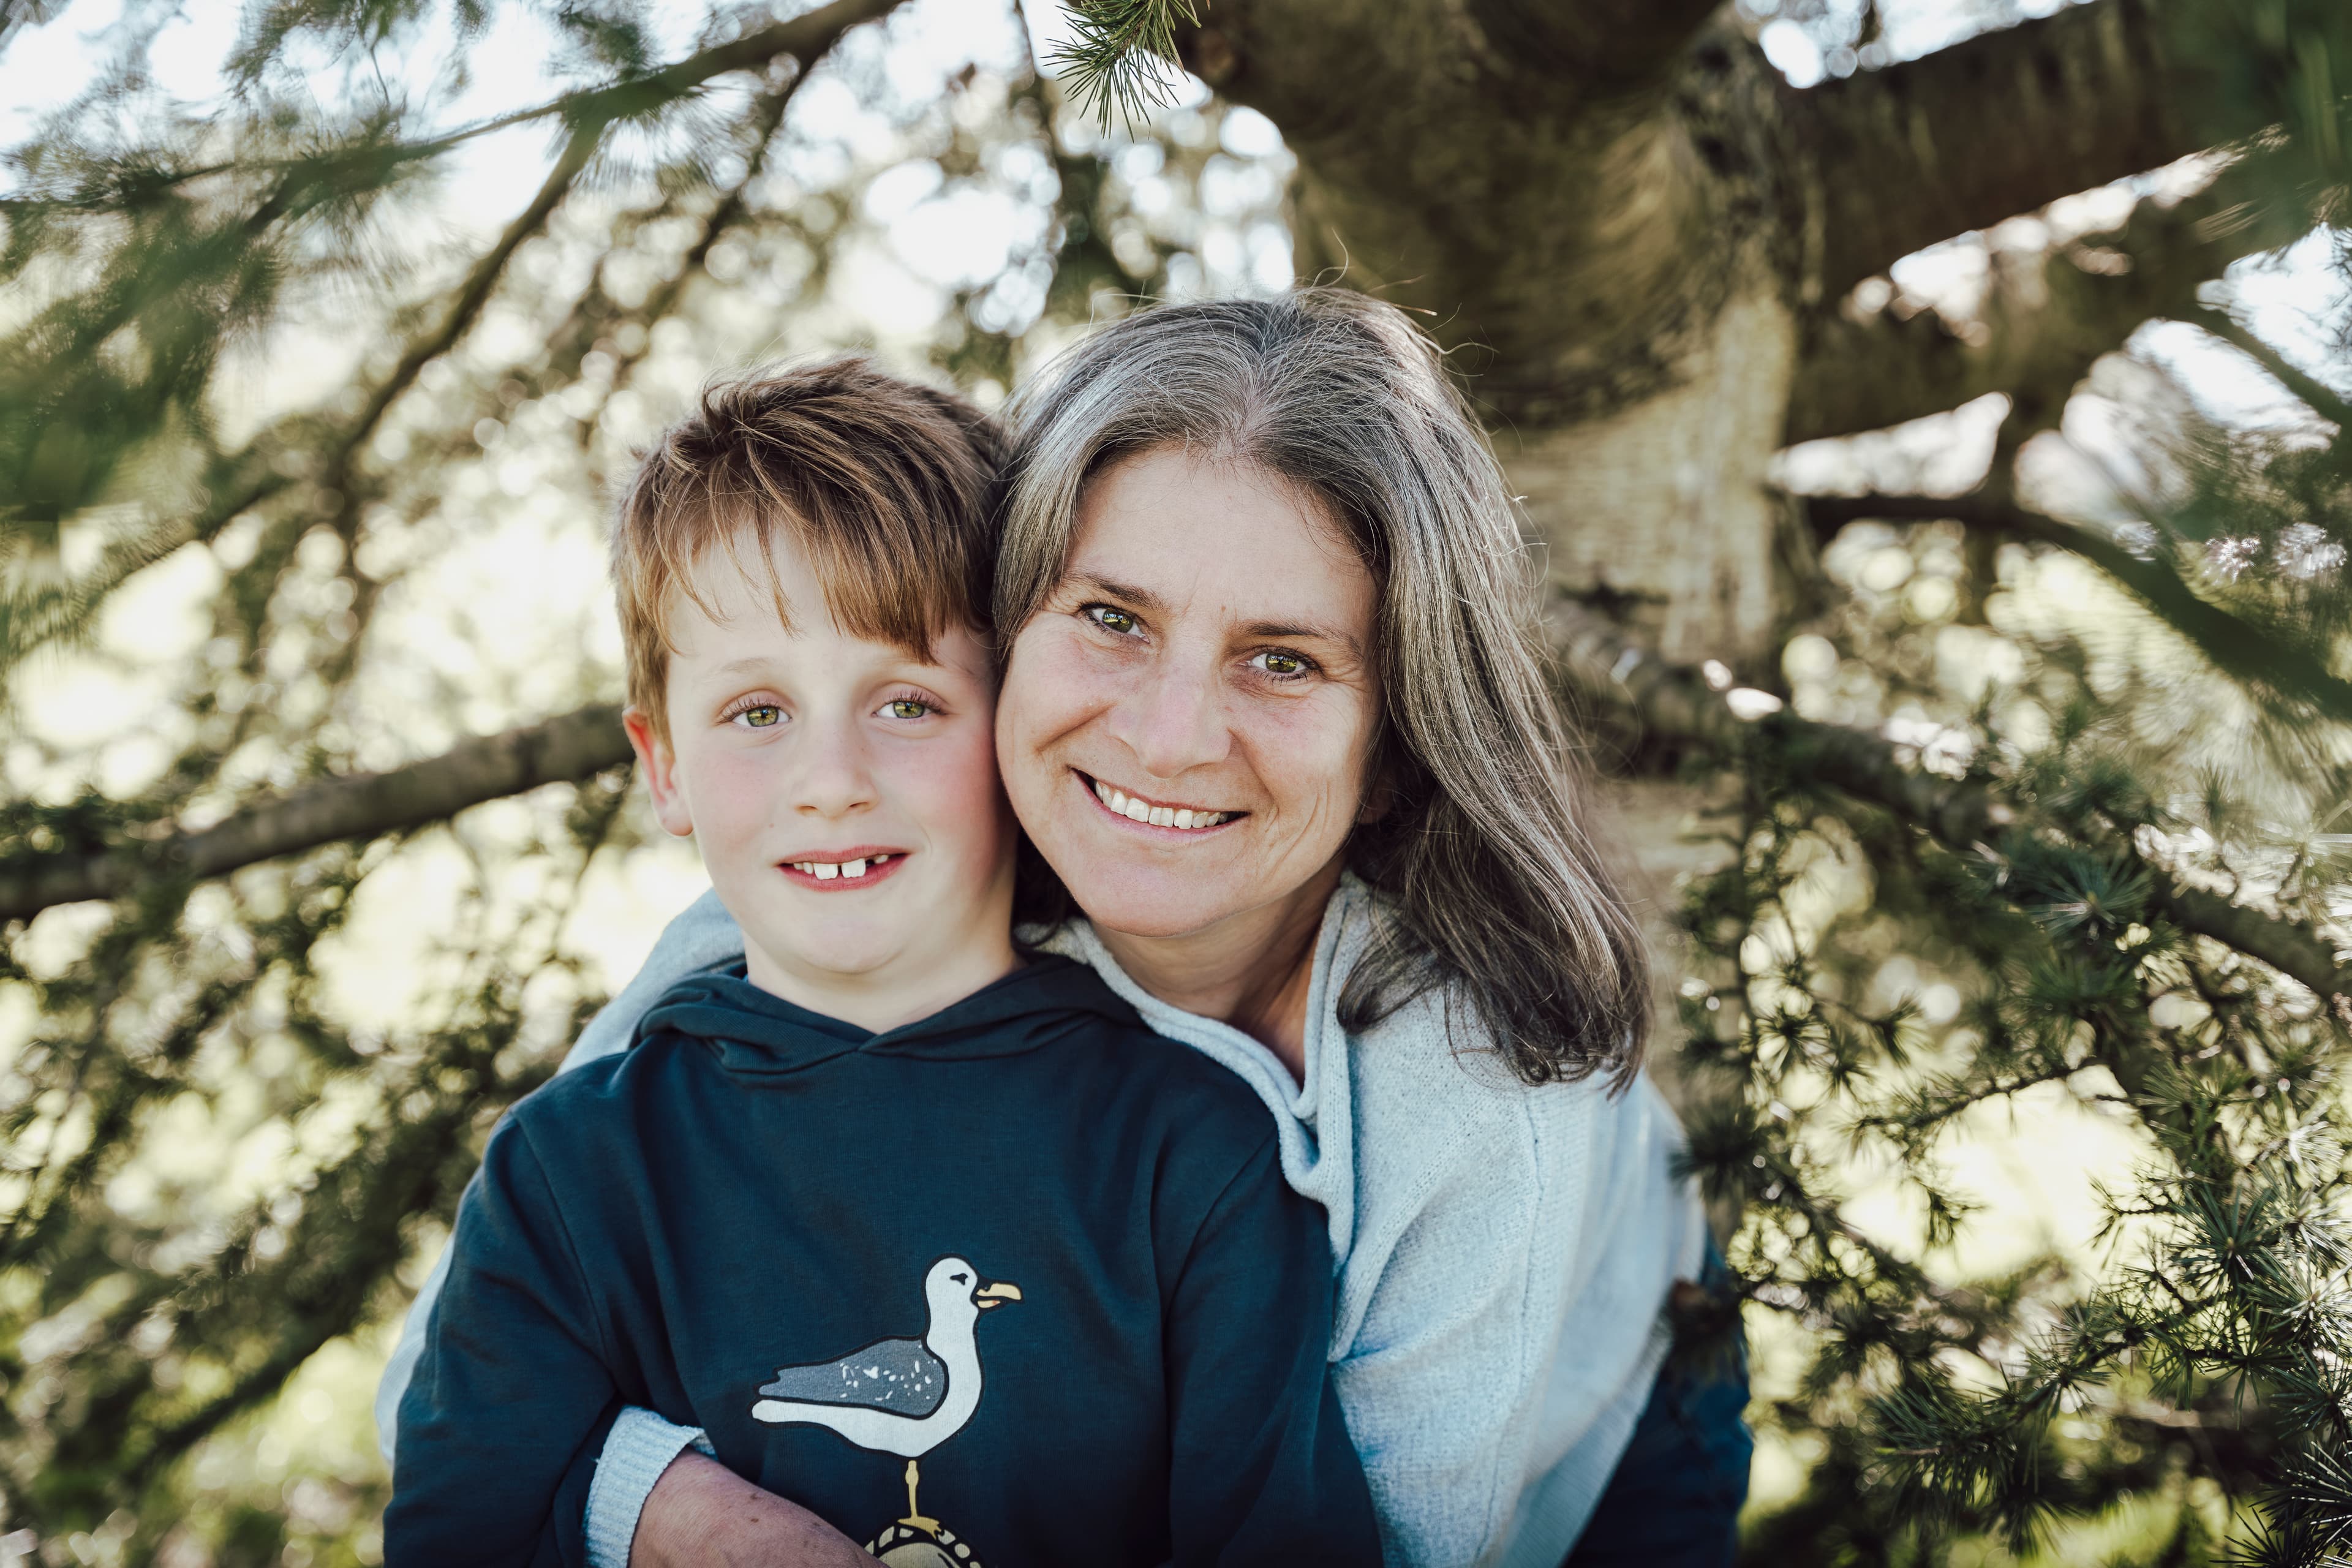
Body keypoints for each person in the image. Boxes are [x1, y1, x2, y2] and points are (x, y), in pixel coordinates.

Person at [379, 289, 1751, 1567]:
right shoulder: (866, 879)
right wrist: (707, 1520)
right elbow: (443, 1380)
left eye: (1284, 660)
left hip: (1611, 1410)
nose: (1167, 738)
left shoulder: (1469, 1091)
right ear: (1005, 627)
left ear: (1396, 740)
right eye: (1109, 617)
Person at [381, 359, 1381, 1568]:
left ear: (1016, 713)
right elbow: (463, 1528)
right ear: (662, 767)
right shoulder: (574, 1173)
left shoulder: (1196, 1155)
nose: (831, 776)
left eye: (907, 701)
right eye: (757, 712)